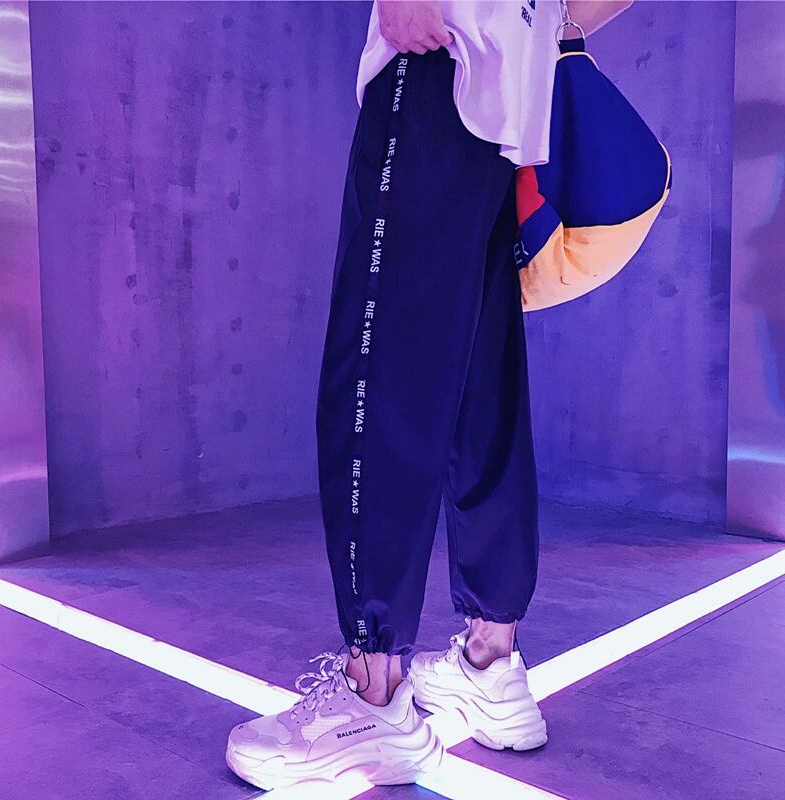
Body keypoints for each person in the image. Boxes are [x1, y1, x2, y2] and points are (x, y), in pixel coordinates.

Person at [227, 0, 633, 790]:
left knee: (379, 365)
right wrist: (539, 24)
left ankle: (371, 696)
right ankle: (490, 662)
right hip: (510, 98)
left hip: (440, 63)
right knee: (481, 377)